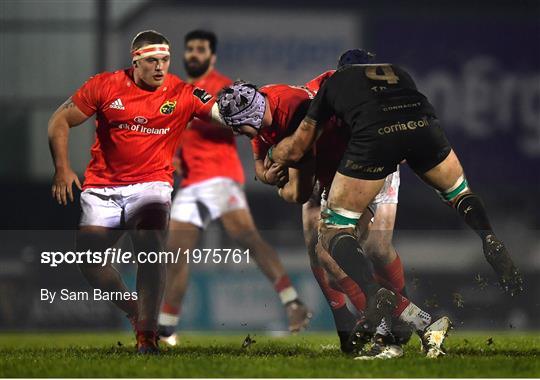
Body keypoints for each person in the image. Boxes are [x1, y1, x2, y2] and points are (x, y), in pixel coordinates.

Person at [262, 48, 523, 337]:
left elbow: (299, 145)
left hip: (367, 156)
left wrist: (273, 153)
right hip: (418, 132)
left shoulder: (332, 85)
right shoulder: (399, 74)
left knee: (332, 248)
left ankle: (387, 321)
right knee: (457, 193)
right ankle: (486, 235)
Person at [217, 71, 450, 359]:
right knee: (328, 254)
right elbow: (262, 159)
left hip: (361, 170)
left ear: (249, 117)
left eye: (238, 127)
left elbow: (299, 192)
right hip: (338, 172)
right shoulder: (264, 103)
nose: (238, 134)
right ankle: (415, 324)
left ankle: (396, 330)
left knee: (346, 251)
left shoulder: (294, 122)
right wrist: (267, 173)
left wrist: (278, 185)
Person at [47, 30, 224, 354]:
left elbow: (220, 113)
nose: (160, 67)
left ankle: (147, 335)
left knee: (150, 242)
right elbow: (59, 120)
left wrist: (244, 113)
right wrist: (62, 168)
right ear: (136, 61)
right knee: (87, 259)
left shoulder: (182, 92)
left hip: (152, 184)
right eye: (153, 60)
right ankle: (133, 308)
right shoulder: (104, 85)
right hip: (103, 186)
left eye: (165, 60)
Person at [157, 30, 311, 345]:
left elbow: (237, 123)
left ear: (212, 57)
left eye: (200, 50)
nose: (194, 55)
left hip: (220, 176)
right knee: (176, 253)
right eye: (190, 50)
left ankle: (292, 302)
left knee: (247, 238)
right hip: (192, 184)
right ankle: (167, 327)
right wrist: (172, 156)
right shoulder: (178, 90)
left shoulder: (222, 90)